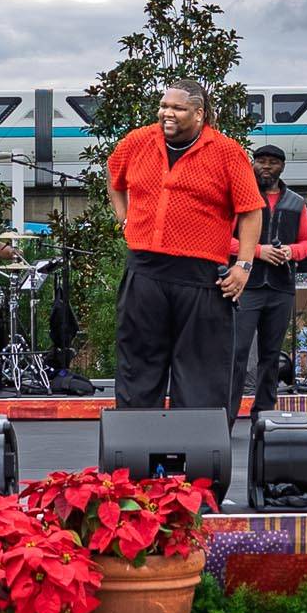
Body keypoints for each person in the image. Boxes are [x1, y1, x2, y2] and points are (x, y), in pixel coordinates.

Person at [106, 80, 262, 413]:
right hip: (145, 272)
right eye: (164, 106)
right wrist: (124, 217)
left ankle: (197, 446)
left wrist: (244, 265)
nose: (167, 113)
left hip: (201, 277)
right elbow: (114, 175)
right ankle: (137, 444)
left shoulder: (226, 151)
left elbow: (251, 211)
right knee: (137, 369)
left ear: (199, 113)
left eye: (177, 108)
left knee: (200, 376)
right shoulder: (137, 141)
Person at [231, 143, 307, 419]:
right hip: (245, 286)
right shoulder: (241, 198)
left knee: (271, 356)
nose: (266, 167)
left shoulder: (296, 202)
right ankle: (226, 416)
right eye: (261, 161)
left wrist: (290, 251)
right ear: (253, 164)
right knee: (237, 353)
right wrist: (258, 251)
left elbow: (306, 243)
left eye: (273, 162)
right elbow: (224, 240)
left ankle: (264, 416)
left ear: (282, 167)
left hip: (281, 287)